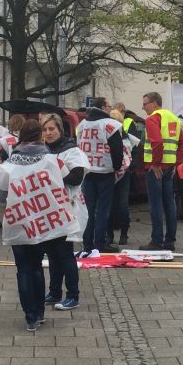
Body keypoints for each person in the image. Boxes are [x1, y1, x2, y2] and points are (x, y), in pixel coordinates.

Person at [0, 119, 81, 331]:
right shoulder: (52, 160)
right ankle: (39, 312)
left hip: (19, 221)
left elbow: (1, 195)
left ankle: (30, 316)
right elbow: (67, 180)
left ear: (21, 136)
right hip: (43, 222)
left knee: (24, 269)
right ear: (40, 136)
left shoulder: (10, 164)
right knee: (37, 266)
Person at [41, 112, 86, 311]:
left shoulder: (71, 150)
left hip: (67, 208)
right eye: (44, 129)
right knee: (52, 253)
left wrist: (56, 170)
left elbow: (77, 177)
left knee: (65, 253)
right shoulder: (42, 150)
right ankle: (54, 292)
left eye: (52, 129)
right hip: (49, 209)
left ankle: (73, 295)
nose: (48, 133)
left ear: (60, 129)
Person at [140, 92, 183, 251]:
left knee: (155, 204)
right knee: (169, 203)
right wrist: (175, 163)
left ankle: (157, 241)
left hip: (155, 169)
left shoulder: (153, 119)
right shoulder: (173, 118)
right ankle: (170, 241)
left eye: (145, 103)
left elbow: (157, 143)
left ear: (154, 104)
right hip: (169, 168)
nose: (143, 107)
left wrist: (155, 164)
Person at [77, 97, 124, 254]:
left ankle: (87, 243)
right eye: (109, 106)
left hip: (87, 172)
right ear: (104, 107)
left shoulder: (82, 125)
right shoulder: (111, 125)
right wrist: (117, 167)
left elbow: (78, 146)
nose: (110, 109)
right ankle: (100, 243)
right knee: (103, 209)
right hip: (105, 172)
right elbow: (117, 150)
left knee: (88, 209)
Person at [109, 108, 140, 246]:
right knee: (119, 204)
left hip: (117, 173)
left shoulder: (120, 136)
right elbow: (134, 155)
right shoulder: (126, 137)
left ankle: (116, 234)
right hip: (121, 173)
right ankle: (118, 234)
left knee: (117, 204)